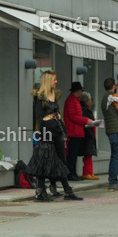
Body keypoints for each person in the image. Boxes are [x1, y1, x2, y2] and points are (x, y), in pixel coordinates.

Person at [26, 70, 82, 201]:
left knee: (61, 159)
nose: (56, 82)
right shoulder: (40, 97)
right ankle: (41, 191)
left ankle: (67, 191)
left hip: (57, 129)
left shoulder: (54, 94)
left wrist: (64, 132)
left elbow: (59, 114)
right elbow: (39, 117)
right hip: (46, 131)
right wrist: (40, 132)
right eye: (54, 80)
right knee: (43, 159)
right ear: (48, 81)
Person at [100, 77, 118, 191]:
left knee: (114, 157)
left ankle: (112, 181)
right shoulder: (113, 97)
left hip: (111, 131)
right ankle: (113, 182)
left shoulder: (104, 98)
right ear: (114, 87)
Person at [62, 82, 87, 181]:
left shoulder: (73, 100)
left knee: (73, 154)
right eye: (81, 90)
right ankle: (70, 173)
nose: (81, 92)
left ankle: (73, 173)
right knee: (72, 154)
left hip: (75, 131)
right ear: (78, 91)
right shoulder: (72, 101)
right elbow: (73, 117)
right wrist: (85, 120)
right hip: (73, 131)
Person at [79, 91, 99, 180]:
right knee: (88, 154)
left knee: (89, 154)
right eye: (90, 99)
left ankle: (90, 172)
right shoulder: (85, 109)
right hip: (88, 134)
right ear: (87, 100)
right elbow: (86, 122)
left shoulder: (86, 109)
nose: (91, 101)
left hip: (89, 133)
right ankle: (87, 172)